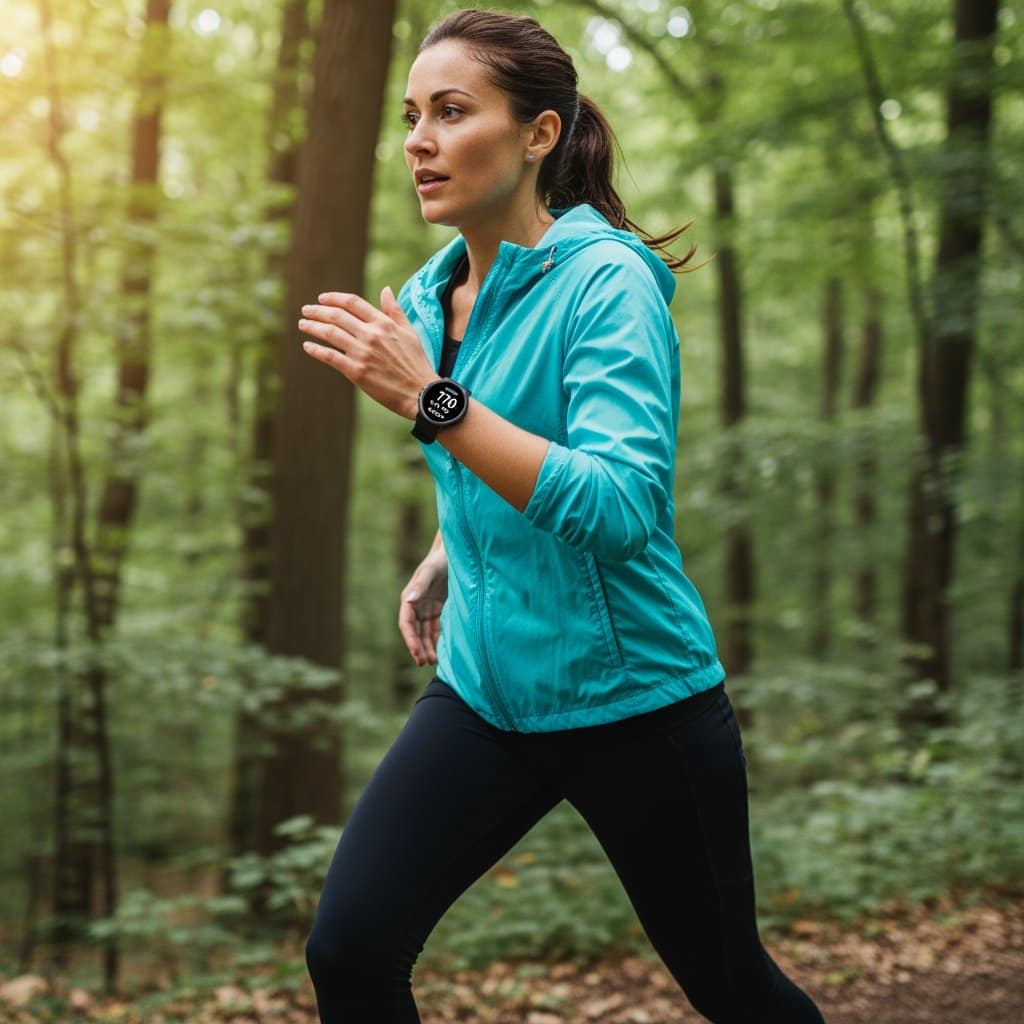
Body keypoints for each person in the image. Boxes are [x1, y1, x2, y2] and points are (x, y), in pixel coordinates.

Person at [297, 9, 825, 1023]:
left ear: (540, 133)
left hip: (634, 703)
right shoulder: (431, 290)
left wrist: (428, 401)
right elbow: (505, 451)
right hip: (486, 692)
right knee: (350, 950)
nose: (419, 140)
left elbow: (620, 505)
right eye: (412, 115)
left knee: (731, 986)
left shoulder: (608, 282)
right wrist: (447, 548)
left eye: (453, 112)